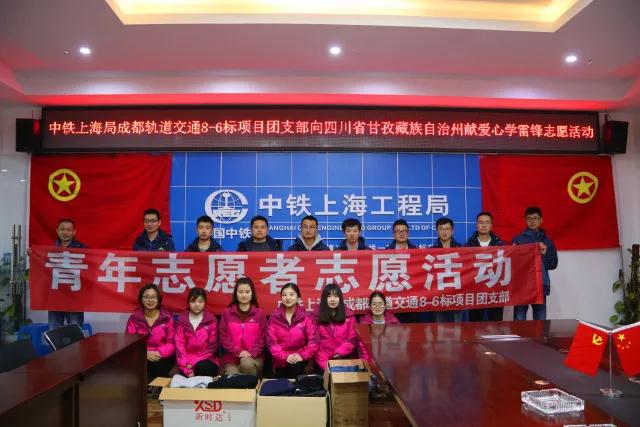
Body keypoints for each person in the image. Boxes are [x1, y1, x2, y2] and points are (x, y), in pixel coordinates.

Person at [512, 206, 558, 321]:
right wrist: (513, 253)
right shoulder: (518, 240)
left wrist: (545, 253)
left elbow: (553, 264)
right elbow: (512, 264)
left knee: (540, 320)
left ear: (541, 220)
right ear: (525, 220)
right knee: (519, 319)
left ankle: (539, 335)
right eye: (529, 219)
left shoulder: (547, 241)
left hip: (540, 285)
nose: (532, 221)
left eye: (535, 218)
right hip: (522, 286)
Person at [267, 283, 319, 378]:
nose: (288, 298)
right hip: (280, 361)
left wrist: (301, 356)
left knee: (296, 368)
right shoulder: (274, 318)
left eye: (291, 294)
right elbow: (271, 343)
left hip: (302, 360)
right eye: (284, 295)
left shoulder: (307, 317)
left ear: (298, 297)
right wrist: (285, 356)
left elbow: (314, 341)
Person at [125, 284, 175, 381]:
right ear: (141, 299)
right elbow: (130, 342)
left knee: (158, 367)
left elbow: (172, 342)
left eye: (153, 297)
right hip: (141, 355)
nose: (150, 300)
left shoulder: (167, 318)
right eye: (146, 297)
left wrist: (159, 353)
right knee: (139, 368)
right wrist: (145, 353)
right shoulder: (134, 319)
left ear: (158, 299)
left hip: (162, 355)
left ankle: (159, 389)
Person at [218, 277, 267, 376]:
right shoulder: (227, 313)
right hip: (231, 359)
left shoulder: (260, 314)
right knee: (232, 377)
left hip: (254, 358)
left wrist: (251, 353)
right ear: (236, 293)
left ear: (252, 293)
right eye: (240, 292)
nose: (244, 295)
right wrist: (238, 352)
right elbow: (223, 337)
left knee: (247, 364)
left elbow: (263, 338)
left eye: (247, 292)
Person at [465, 212, 505, 322]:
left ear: (491, 225)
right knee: (475, 323)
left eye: (487, 222)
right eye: (481, 222)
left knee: (496, 323)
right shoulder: (468, 245)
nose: (483, 225)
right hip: (475, 289)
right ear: (476, 225)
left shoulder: (500, 244)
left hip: (495, 289)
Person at [48, 218, 87, 330]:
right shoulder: (50, 250)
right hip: (56, 297)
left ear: (74, 232)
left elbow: (91, 269)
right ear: (57, 230)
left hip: (75, 298)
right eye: (62, 229)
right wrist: (33, 255)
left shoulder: (83, 249)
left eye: (69, 230)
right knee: (54, 331)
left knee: (75, 331)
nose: (65, 232)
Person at [174, 288, 220, 377]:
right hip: (185, 361)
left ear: (205, 303)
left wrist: (194, 361)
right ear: (188, 303)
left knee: (202, 368)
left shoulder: (212, 320)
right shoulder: (181, 321)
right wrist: (186, 368)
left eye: (200, 301)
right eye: (193, 301)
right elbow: (179, 347)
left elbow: (212, 348)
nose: (197, 305)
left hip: (207, 359)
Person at [313, 283, 358, 371]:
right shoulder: (315, 317)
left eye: (336, 296)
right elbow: (313, 341)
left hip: (344, 359)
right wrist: (326, 365)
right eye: (329, 296)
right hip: (322, 361)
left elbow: (353, 339)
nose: (332, 300)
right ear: (324, 299)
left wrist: (340, 352)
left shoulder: (349, 316)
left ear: (340, 298)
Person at [430, 217, 463, 323]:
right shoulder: (431, 251)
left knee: (458, 324)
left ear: (452, 231)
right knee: (438, 324)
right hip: (438, 293)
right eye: (441, 229)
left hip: (456, 292)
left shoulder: (461, 250)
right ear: (437, 231)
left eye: (447, 229)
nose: (444, 232)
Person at [357, 291, 400, 362]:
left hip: (390, 361)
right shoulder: (363, 324)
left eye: (380, 304)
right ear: (370, 307)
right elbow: (362, 347)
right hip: (370, 362)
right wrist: (368, 363)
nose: (377, 306)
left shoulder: (394, 322)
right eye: (374, 304)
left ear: (385, 306)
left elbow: (397, 344)